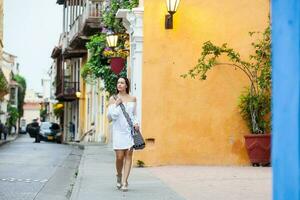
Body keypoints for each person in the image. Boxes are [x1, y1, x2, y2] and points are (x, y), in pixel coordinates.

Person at [107, 77, 140, 192]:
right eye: (118, 83)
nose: (119, 84)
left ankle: (125, 181)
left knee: (128, 156)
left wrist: (136, 123)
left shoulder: (133, 98)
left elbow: (134, 114)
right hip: (118, 131)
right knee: (119, 157)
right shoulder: (113, 99)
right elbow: (111, 117)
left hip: (129, 131)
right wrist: (116, 104)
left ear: (126, 85)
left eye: (122, 83)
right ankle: (119, 175)